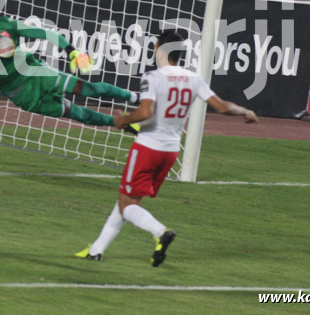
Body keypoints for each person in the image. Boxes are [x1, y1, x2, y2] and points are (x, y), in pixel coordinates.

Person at [75, 30, 258, 266]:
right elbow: (221, 107)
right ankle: (96, 250)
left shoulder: (153, 77)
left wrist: (122, 120)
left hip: (147, 149)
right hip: (170, 152)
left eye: (155, 46)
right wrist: (245, 111)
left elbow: (145, 112)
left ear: (161, 50)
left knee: (127, 204)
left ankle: (161, 232)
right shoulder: (195, 79)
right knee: (128, 200)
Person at [0, 1, 139, 129]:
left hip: (36, 72)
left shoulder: (6, 25)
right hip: (21, 94)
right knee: (76, 113)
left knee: (88, 89)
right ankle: (122, 123)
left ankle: (136, 98)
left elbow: (44, 33)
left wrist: (71, 51)